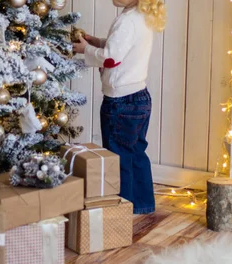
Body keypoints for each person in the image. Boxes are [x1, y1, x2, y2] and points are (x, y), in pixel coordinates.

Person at [73, 0, 166, 214]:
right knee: (135, 153)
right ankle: (142, 204)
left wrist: (86, 49)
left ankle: (121, 211)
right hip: (139, 97)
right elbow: (120, 46)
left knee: (119, 156)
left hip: (121, 101)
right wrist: (95, 42)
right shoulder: (140, 15)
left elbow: (111, 58)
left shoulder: (128, 20)